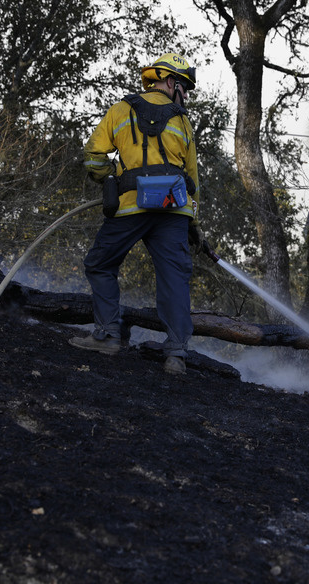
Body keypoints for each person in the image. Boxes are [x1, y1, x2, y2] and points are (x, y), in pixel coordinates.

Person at [70, 52, 205, 375]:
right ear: (170, 81)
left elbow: (92, 156)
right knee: (174, 279)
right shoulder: (182, 121)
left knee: (100, 263)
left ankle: (107, 335)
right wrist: (193, 222)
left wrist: (110, 180)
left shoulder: (121, 110)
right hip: (174, 210)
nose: (185, 95)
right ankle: (175, 354)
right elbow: (193, 178)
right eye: (183, 87)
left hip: (130, 206)